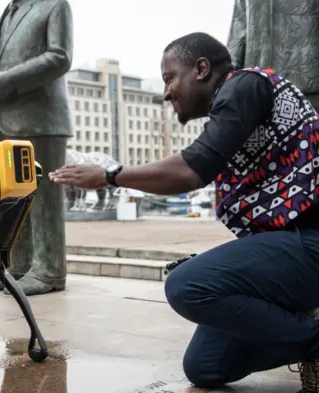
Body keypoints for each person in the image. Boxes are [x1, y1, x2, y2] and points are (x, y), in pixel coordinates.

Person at [49, 32, 319, 392]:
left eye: (169, 77)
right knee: (204, 367)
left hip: (312, 241)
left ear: (202, 69)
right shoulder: (235, 106)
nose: (166, 93)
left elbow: (191, 170)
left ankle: (313, 342)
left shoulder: (245, 86)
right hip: (294, 245)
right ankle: (299, 325)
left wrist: (110, 175)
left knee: (187, 285)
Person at [0, 0, 74, 296]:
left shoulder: (54, 5)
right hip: (4, 121)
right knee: (14, 198)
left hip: (41, 119)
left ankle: (49, 271)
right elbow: (4, 65)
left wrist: (4, 81)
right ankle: (17, 266)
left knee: (44, 197)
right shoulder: (6, 14)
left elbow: (59, 57)